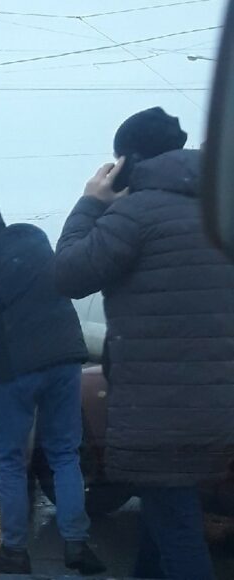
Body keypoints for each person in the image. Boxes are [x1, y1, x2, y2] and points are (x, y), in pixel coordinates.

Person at [55, 107, 234, 580]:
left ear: (127, 161)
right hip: (219, 407)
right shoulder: (222, 205)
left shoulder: (135, 214)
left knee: (178, 536)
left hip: (160, 410)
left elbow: (69, 273)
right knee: (163, 522)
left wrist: (91, 202)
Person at [0, 189, 104, 575]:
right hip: (64, 358)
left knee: (12, 460)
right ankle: (77, 543)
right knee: (64, 454)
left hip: (17, 368)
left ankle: (14, 550)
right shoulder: (32, 237)